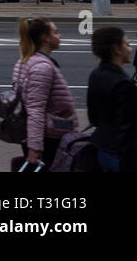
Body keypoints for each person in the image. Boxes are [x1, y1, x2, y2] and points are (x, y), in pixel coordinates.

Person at [13, 17, 78, 169]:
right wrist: (35, 148)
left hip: (42, 135)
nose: (59, 36)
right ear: (45, 38)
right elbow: (35, 109)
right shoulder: (42, 67)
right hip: (50, 137)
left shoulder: (25, 61)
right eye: (55, 32)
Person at [87, 26, 136, 172]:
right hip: (121, 155)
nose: (130, 49)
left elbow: (93, 117)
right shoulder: (123, 83)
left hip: (102, 146)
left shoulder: (95, 74)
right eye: (126, 44)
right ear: (117, 49)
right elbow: (128, 128)